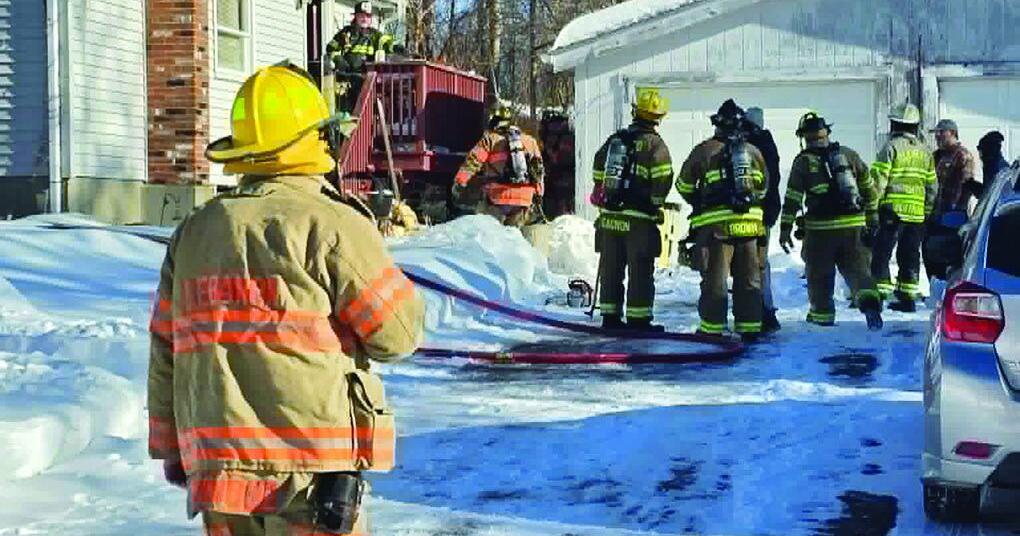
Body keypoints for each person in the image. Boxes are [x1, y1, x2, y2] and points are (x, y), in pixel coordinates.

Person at [148, 63, 425, 536]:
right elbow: (397, 336)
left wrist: (172, 447)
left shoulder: (193, 233)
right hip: (311, 480)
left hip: (218, 475)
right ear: (314, 139)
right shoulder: (331, 225)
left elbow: (165, 350)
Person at [779, 111, 883, 329]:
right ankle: (870, 305)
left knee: (819, 275)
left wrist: (785, 229)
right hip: (854, 227)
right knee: (859, 272)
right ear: (826, 132)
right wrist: (872, 219)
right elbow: (870, 189)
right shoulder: (849, 155)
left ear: (804, 137)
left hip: (820, 231)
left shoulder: (803, 162)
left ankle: (822, 316)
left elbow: (792, 199)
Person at [676, 99, 768, 342]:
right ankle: (749, 328)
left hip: (717, 228)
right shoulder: (753, 153)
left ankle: (712, 328)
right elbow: (764, 188)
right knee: (749, 279)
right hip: (750, 226)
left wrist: (700, 199)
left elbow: (683, 185)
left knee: (715, 279)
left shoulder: (704, 150)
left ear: (717, 125)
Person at [589, 88, 673, 331]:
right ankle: (638, 320)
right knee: (640, 270)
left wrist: (603, 190)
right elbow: (663, 179)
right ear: (658, 117)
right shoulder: (656, 146)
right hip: (639, 220)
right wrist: (655, 204)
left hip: (610, 218)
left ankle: (610, 317)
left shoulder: (617, 140)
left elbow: (597, 165)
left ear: (636, 112)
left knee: (611, 268)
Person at [870, 103, 937, 312]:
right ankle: (907, 299)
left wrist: (872, 208)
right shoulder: (925, 152)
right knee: (909, 256)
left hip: (892, 212)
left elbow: (879, 180)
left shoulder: (891, 147)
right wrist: (926, 212)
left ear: (896, 124)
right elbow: (932, 186)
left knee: (882, 254)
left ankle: (879, 296)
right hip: (916, 215)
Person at [452, 104, 545, 227]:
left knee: (487, 231)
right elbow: (538, 170)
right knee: (515, 237)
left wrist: (459, 183)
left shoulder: (490, 140)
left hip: (497, 197)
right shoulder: (530, 141)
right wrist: (539, 193)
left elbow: (472, 162)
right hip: (524, 199)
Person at [743, 107, 781, 333]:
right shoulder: (768, 143)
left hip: (750, 212)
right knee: (759, 263)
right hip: (765, 213)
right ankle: (764, 309)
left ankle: (761, 311)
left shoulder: (749, 145)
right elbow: (773, 180)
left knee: (752, 263)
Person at [326, 1, 395, 111]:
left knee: (365, 112)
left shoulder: (376, 36)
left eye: (368, 16)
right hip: (346, 80)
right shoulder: (345, 34)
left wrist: (396, 48)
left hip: (366, 81)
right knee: (346, 112)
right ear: (356, 16)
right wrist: (339, 60)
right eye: (361, 15)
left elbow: (387, 44)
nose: (364, 19)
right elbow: (331, 48)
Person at [540, 110, 576, 219]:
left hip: (556, 177)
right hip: (570, 176)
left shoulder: (550, 136)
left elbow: (551, 156)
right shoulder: (569, 135)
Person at [976, 130, 1010, 199]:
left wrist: (969, 184)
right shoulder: (991, 166)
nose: (980, 155)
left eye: (981, 150)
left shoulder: (997, 169)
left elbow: (988, 195)